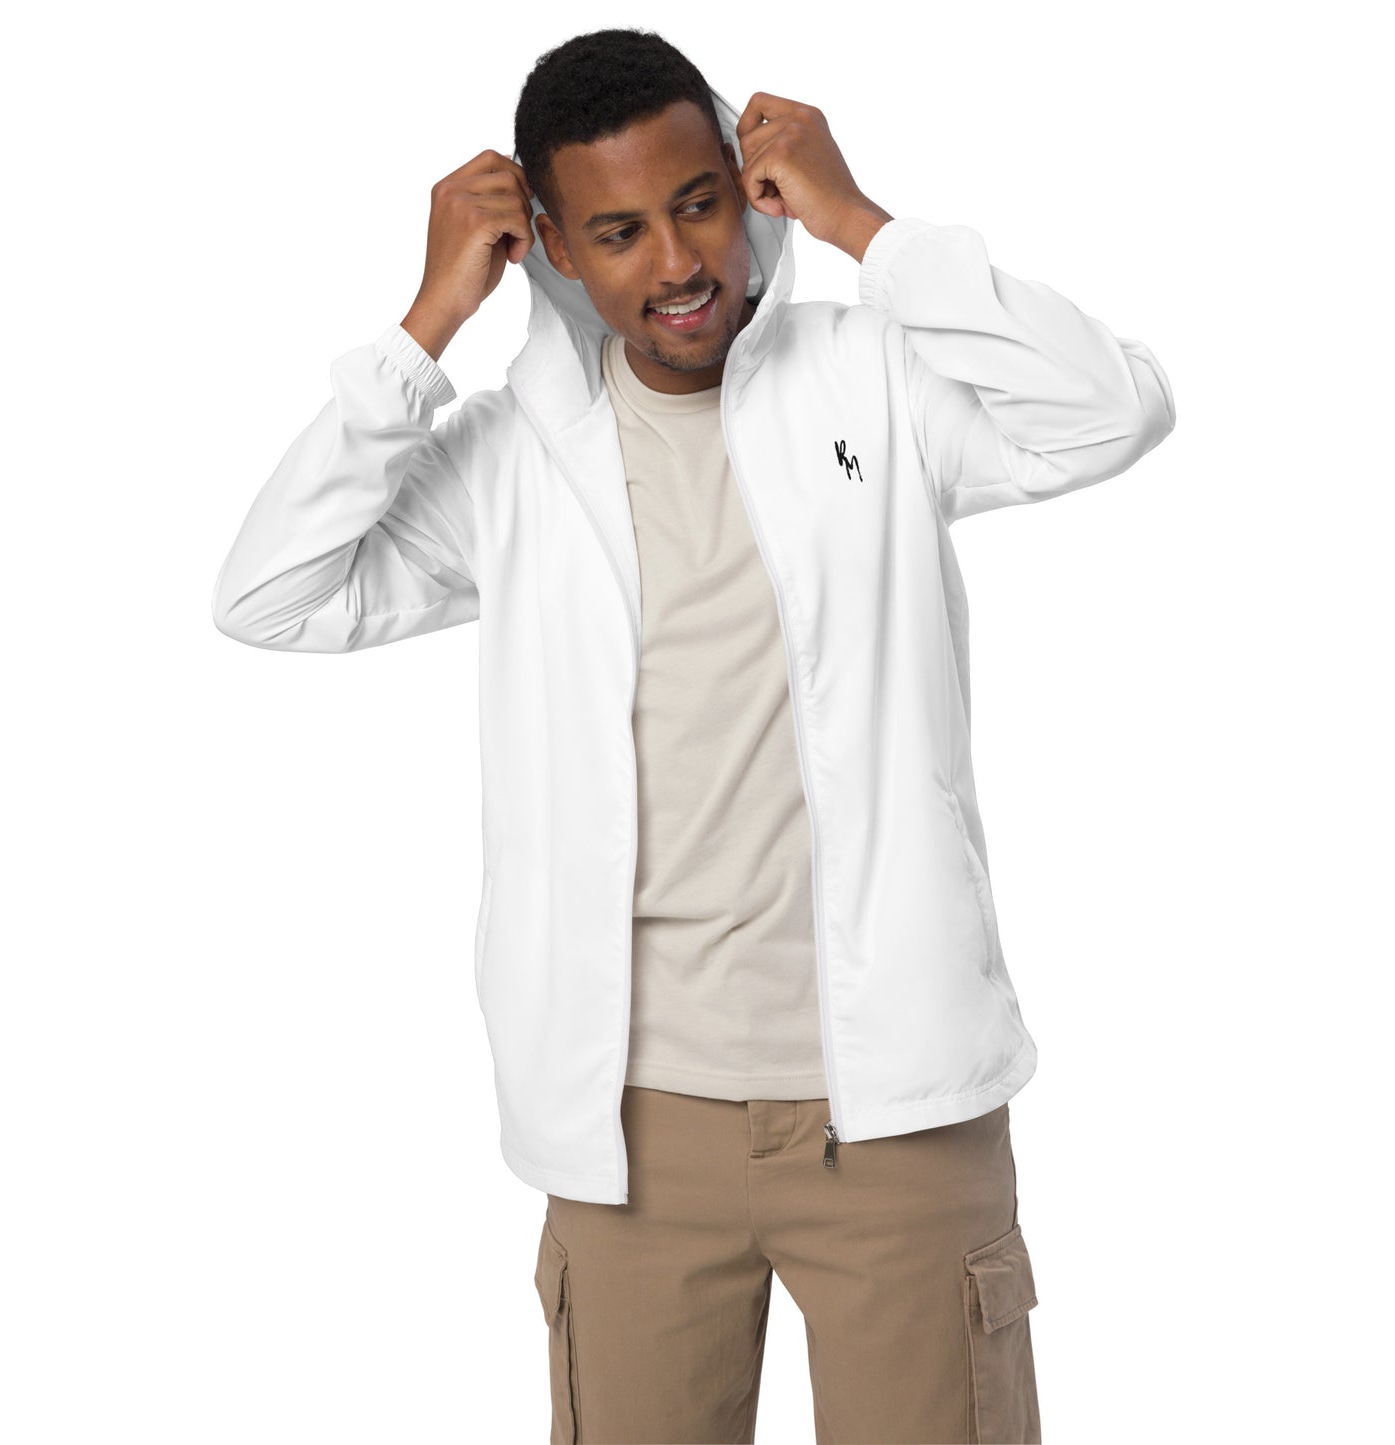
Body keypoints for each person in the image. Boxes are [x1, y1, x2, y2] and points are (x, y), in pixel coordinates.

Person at [211, 26, 1175, 1445]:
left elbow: (1114, 409)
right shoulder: (511, 460)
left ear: (745, 185)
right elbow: (269, 595)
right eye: (617, 232)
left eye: (698, 204)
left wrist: (862, 224)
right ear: (550, 247)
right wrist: (423, 329)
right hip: (631, 1128)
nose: (676, 263)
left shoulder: (873, 378)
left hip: (896, 1104)